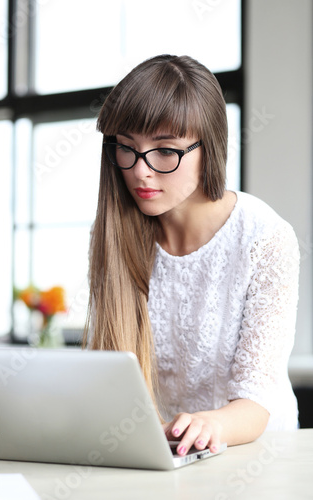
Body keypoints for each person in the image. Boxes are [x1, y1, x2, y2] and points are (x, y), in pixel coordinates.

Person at [83, 54, 300, 457]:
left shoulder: (265, 238)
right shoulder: (114, 234)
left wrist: (209, 423)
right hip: (167, 456)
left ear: (209, 148)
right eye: (126, 148)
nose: (139, 172)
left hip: (264, 456)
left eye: (165, 150)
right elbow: (115, 383)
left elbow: (257, 401)